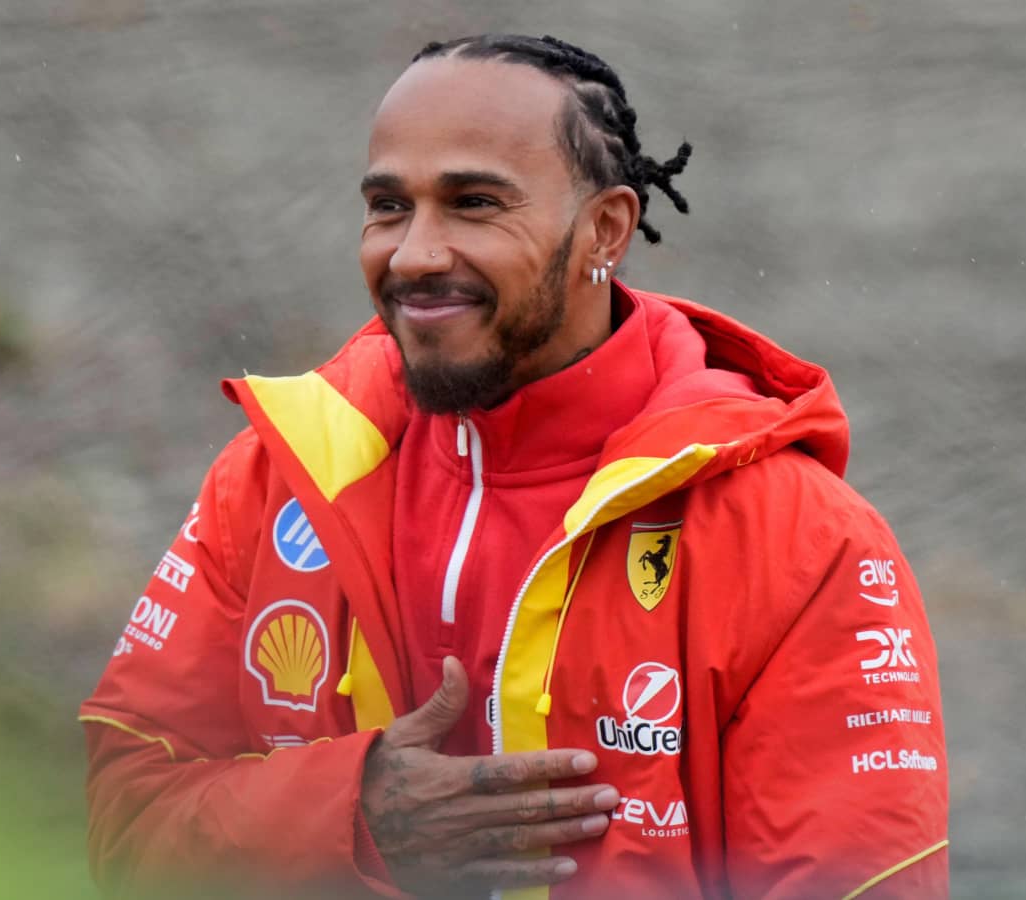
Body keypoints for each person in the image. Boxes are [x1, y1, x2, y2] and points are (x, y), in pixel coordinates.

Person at [80, 33, 949, 900]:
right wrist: (349, 817)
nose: (414, 254)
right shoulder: (274, 481)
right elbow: (126, 832)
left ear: (605, 229)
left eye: (474, 204)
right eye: (389, 206)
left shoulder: (801, 543)